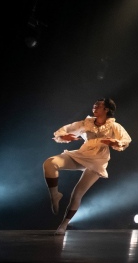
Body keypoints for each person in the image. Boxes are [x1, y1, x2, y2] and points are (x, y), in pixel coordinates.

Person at [43, 98, 131, 235]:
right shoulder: (87, 123)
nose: (94, 107)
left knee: (77, 193)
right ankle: (55, 195)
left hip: (98, 160)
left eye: (98, 106)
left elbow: (125, 140)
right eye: (94, 105)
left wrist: (114, 142)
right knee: (50, 163)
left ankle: (63, 225)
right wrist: (63, 136)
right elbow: (67, 128)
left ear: (106, 109)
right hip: (82, 154)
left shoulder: (114, 126)